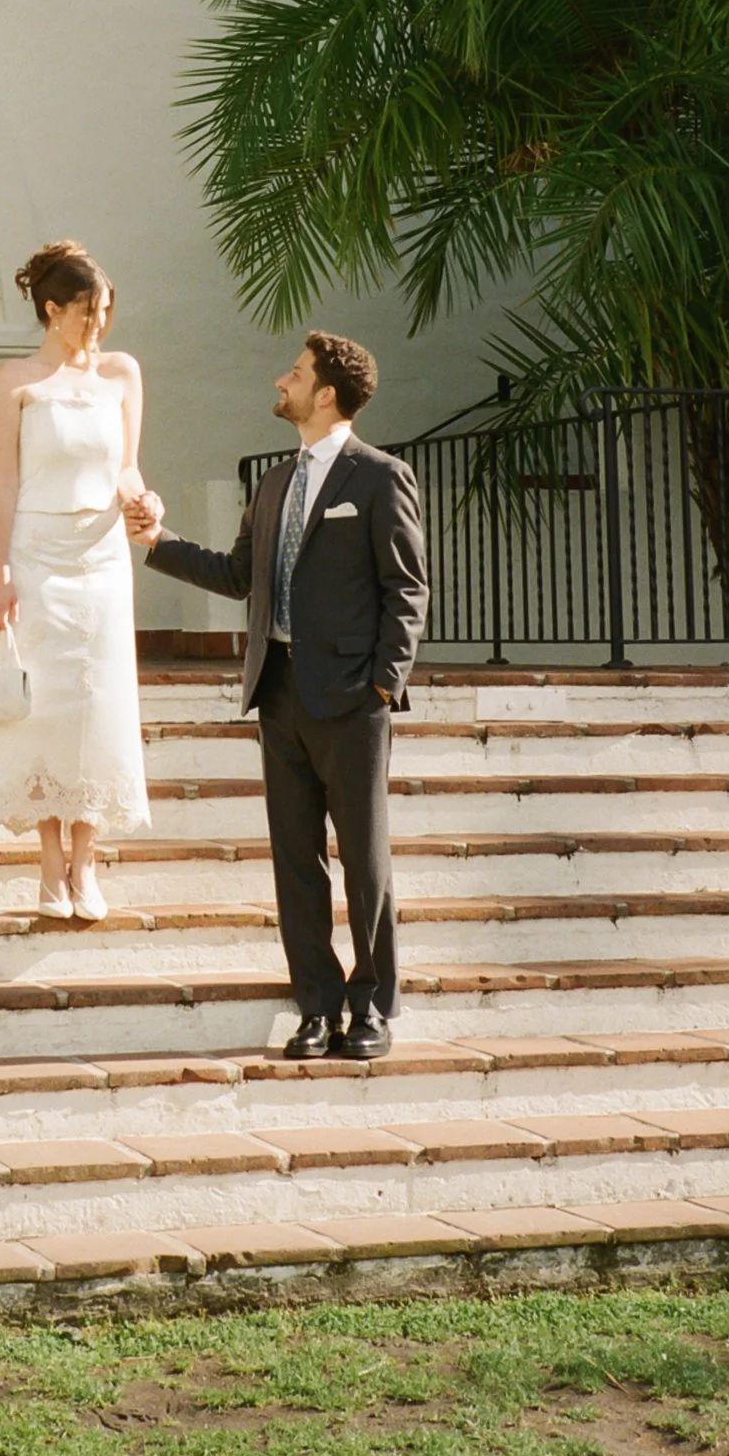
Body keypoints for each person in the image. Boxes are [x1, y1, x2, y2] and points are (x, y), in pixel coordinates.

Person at [126, 333, 428, 1060]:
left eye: (294, 374)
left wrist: (384, 684)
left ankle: (373, 1008)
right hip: (279, 693)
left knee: (365, 861)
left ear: (326, 394)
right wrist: (157, 540)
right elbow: (238, 576)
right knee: (296, 862)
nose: (281, 381)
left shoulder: (380, 478)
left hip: (354, 700)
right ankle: (316, 1008)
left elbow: (407, 590)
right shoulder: (273, 483)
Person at [0, 240, 151, 918]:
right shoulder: (14, 381)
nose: (98, 325)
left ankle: (87, 862)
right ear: (52, 309)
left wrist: (145, 501)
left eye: (106, 311)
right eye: (86, 312)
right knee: (46, 704)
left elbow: (127, 467)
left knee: (99, 703)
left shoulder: (122, 374)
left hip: (100, 559)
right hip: (35, 556)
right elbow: (1, 483)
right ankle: (51, 859)